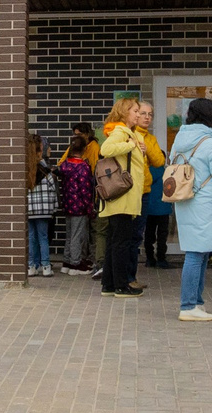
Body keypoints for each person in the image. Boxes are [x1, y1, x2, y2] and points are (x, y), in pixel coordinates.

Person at [167, 98, 212, 320]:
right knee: (197, 254)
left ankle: (196, 302)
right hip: (207, 204)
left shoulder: (179, 140)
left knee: (199, 251)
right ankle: (188, 305)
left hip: (185, 200)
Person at [96, 100, 150, 297]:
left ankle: (109, 284)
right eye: (135, 111)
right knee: (122, 241)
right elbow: (106, 150)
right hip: (124, 196)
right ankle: (120, 286)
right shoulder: (122, 132)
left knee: (114, 240)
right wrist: (129, 145)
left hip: (121, 196)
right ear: (124, 112)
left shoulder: (128, 133)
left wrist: (138, 149)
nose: (138, 115)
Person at [57, 127, 97, 275]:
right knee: (77, 235)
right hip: (79, 206)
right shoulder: (83, 167)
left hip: (67, 204)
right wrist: (89, 207)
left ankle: (66, 262)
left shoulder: (65, 166)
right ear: (84, 149)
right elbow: (86, 190)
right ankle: (75, 264)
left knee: (69, 234)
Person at [137, 108, 171, 274]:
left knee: (149, 235)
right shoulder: (166, 171)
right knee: (162, 235)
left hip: (149, 207)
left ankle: (150, 258)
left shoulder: (147, 170)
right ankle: (162, 259)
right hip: (164, 208)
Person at [24, 132, 57, 278]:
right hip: (44, 210)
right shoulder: (45, 169)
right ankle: (46, 267)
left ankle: (31, 266)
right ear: (40, 149)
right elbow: (52, 189)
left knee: (31, 237)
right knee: (43, 237)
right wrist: (54, 207)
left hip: (29, 209)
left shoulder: (25, 170)